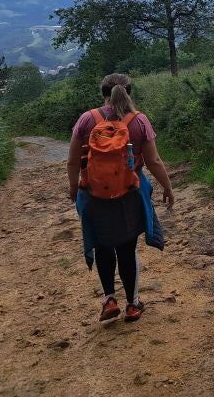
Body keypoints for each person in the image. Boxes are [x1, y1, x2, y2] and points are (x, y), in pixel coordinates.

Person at [67, 73, 175, 323]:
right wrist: (167, 187)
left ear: (103, 92)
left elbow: (73, 160)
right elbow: (154, 161)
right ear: (129, 92)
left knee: (103, 247)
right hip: (129, 194)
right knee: (127, 249)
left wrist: (74, 188)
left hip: (93, 195)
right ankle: (133, 304)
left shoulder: (87, 119)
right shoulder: (139, 121)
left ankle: (109, 300)